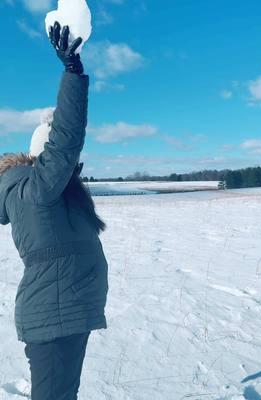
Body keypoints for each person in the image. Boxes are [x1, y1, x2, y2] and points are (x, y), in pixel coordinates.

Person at [0, 21, 109, 400]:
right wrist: (72, 72)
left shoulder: (52, 193)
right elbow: (66, 140)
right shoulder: (36, 190)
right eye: (66, 163)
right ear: (41, 159)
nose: (74, 169)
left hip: (66, 312)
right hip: (54, 317)